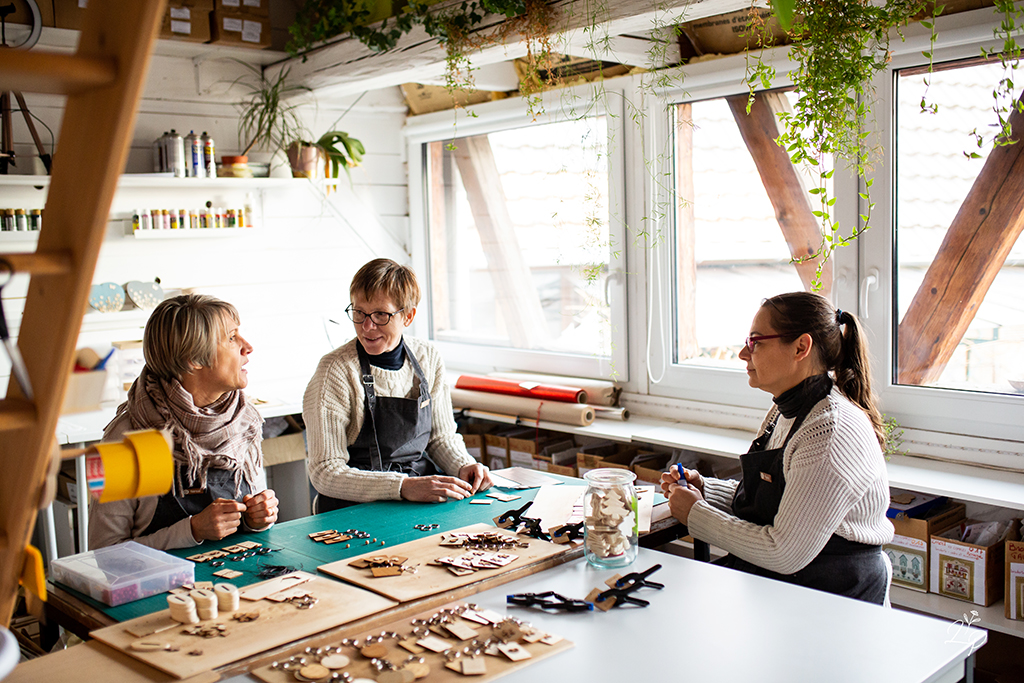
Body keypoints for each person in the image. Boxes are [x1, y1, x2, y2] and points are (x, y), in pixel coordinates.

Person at [662, 292, 894, 604]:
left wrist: (695, 513)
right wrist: (704, 489)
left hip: (833, 595)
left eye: (756, 341)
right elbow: (776, 501)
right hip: (790, 581)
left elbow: (784, 552)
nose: (744, 353)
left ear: (801, 347)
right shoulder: (787, 410)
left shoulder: (828, 433)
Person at [90, 294, 279, 550]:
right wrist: (192, 530)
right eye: (232, 338)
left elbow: (253, 515)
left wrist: (259, 518)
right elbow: (105, 551)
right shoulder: (128, 439)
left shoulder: (243, 420)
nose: (247, 346)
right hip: (162, 586)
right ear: (194, 359)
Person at [304, 258, 491, 511]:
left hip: (418, 494)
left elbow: (440, 437)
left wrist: (463, 465)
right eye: (359, 313)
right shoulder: (335, 371)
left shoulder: (428, 357)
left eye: (380, 314)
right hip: (351, 507)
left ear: (408, 316)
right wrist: (402, 487)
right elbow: (325, 472)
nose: (367, 326)